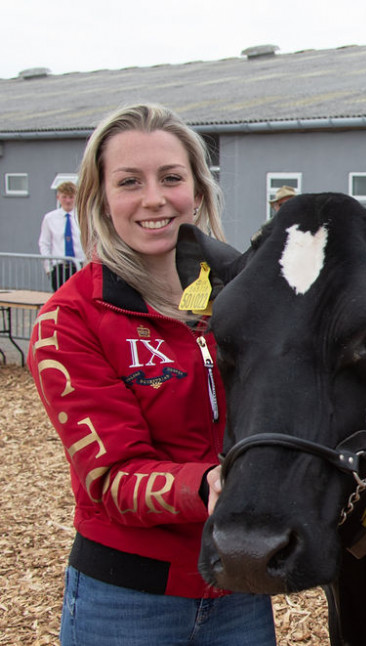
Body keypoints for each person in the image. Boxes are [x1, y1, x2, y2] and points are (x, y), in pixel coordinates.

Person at [27, 104, 276, 645]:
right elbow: (111, 477)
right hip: (128, 600)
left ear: (199, 190)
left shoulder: (243, 298)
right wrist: (212, 483)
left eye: (171, 178)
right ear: (100, 199)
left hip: (241, 584)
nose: (155, 199)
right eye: (129, 182)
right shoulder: (70, 319)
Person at [38, 180, 86, 291]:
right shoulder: (49, 218)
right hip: (59, 268)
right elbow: (44, 243)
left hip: (80, 266)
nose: (68, 201)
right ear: (58, 198)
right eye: (64, 197)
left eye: (71, 197)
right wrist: (48, 268)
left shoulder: (83, 217)